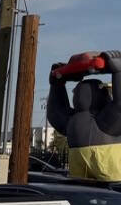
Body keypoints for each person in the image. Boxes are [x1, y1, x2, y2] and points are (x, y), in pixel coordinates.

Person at [48, 50, 121, 180]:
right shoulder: (99, 120)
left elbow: (55, 112)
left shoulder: (78, 121)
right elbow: (55, 113)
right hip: (99, 181)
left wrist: (56, 84)